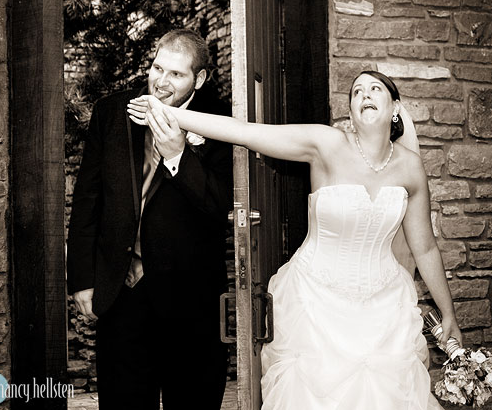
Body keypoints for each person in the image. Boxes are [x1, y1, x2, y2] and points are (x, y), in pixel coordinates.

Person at [128, 70, 462, 410]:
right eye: (356, 91)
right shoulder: (326, 144)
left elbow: (425, 248)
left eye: (375, 88)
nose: (365, 94)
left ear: (395, 108)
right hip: (316, 305)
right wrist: (167, 112)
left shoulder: (411, 168)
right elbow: (246, 132)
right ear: (350, 111)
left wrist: (448, 313)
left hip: (385, 310)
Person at [67, 29, 232, 410]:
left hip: (189, 300)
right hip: (122, 292)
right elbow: (88, 199)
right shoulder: (111, 111)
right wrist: (82, 279)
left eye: (176, 74)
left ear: (199, 79)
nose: (161, 82)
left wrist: (177, 155)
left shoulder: (222, 121)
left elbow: (219, 207)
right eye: (158, 68)